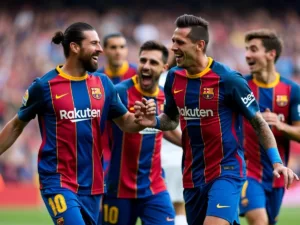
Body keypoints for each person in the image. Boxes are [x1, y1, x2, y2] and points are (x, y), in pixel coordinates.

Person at [134, 14, 299, 225]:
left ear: (199, 45)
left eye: (179, 42)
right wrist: (154, 122)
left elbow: (258, 122)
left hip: (227, 171)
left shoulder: (228, 79)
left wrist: (276, 162)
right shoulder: (174, 78)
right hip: (193, 175)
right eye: (173, 40)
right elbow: (171, 120)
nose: (173, 47)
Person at [0, 22, 155, 225]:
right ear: (74, 47)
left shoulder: (104, 84)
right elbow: (15, 125)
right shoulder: (44, 86)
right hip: (58, 181)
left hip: (94, 184)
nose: (100, 49)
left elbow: (125, 122)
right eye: (94, 43)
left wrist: (140, 122)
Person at [103, 40, 181, 225]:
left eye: (153, 62)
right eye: (143, 60)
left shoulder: (167, 97)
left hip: (154, 187)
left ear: (164, 67)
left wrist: (194, 144)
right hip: (118, 188)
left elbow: (166, 129)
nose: (146, 66)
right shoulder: (118, 93)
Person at [239, 29, 300, 225]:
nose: (247, 54)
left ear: (271, 54)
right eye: (246, 49)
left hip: (277, 175)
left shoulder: (292, 90)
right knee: (259, 221)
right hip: (246, 170)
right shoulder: (240, 87)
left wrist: (280, 125)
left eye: (253, 49)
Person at [97, 32, 137, 176]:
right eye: (113, 47)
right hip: (104, 149)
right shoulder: (95, 80)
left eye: (122, 47)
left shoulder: (139, 76)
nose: (118, 51)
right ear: (104, 50)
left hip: (134, 147)